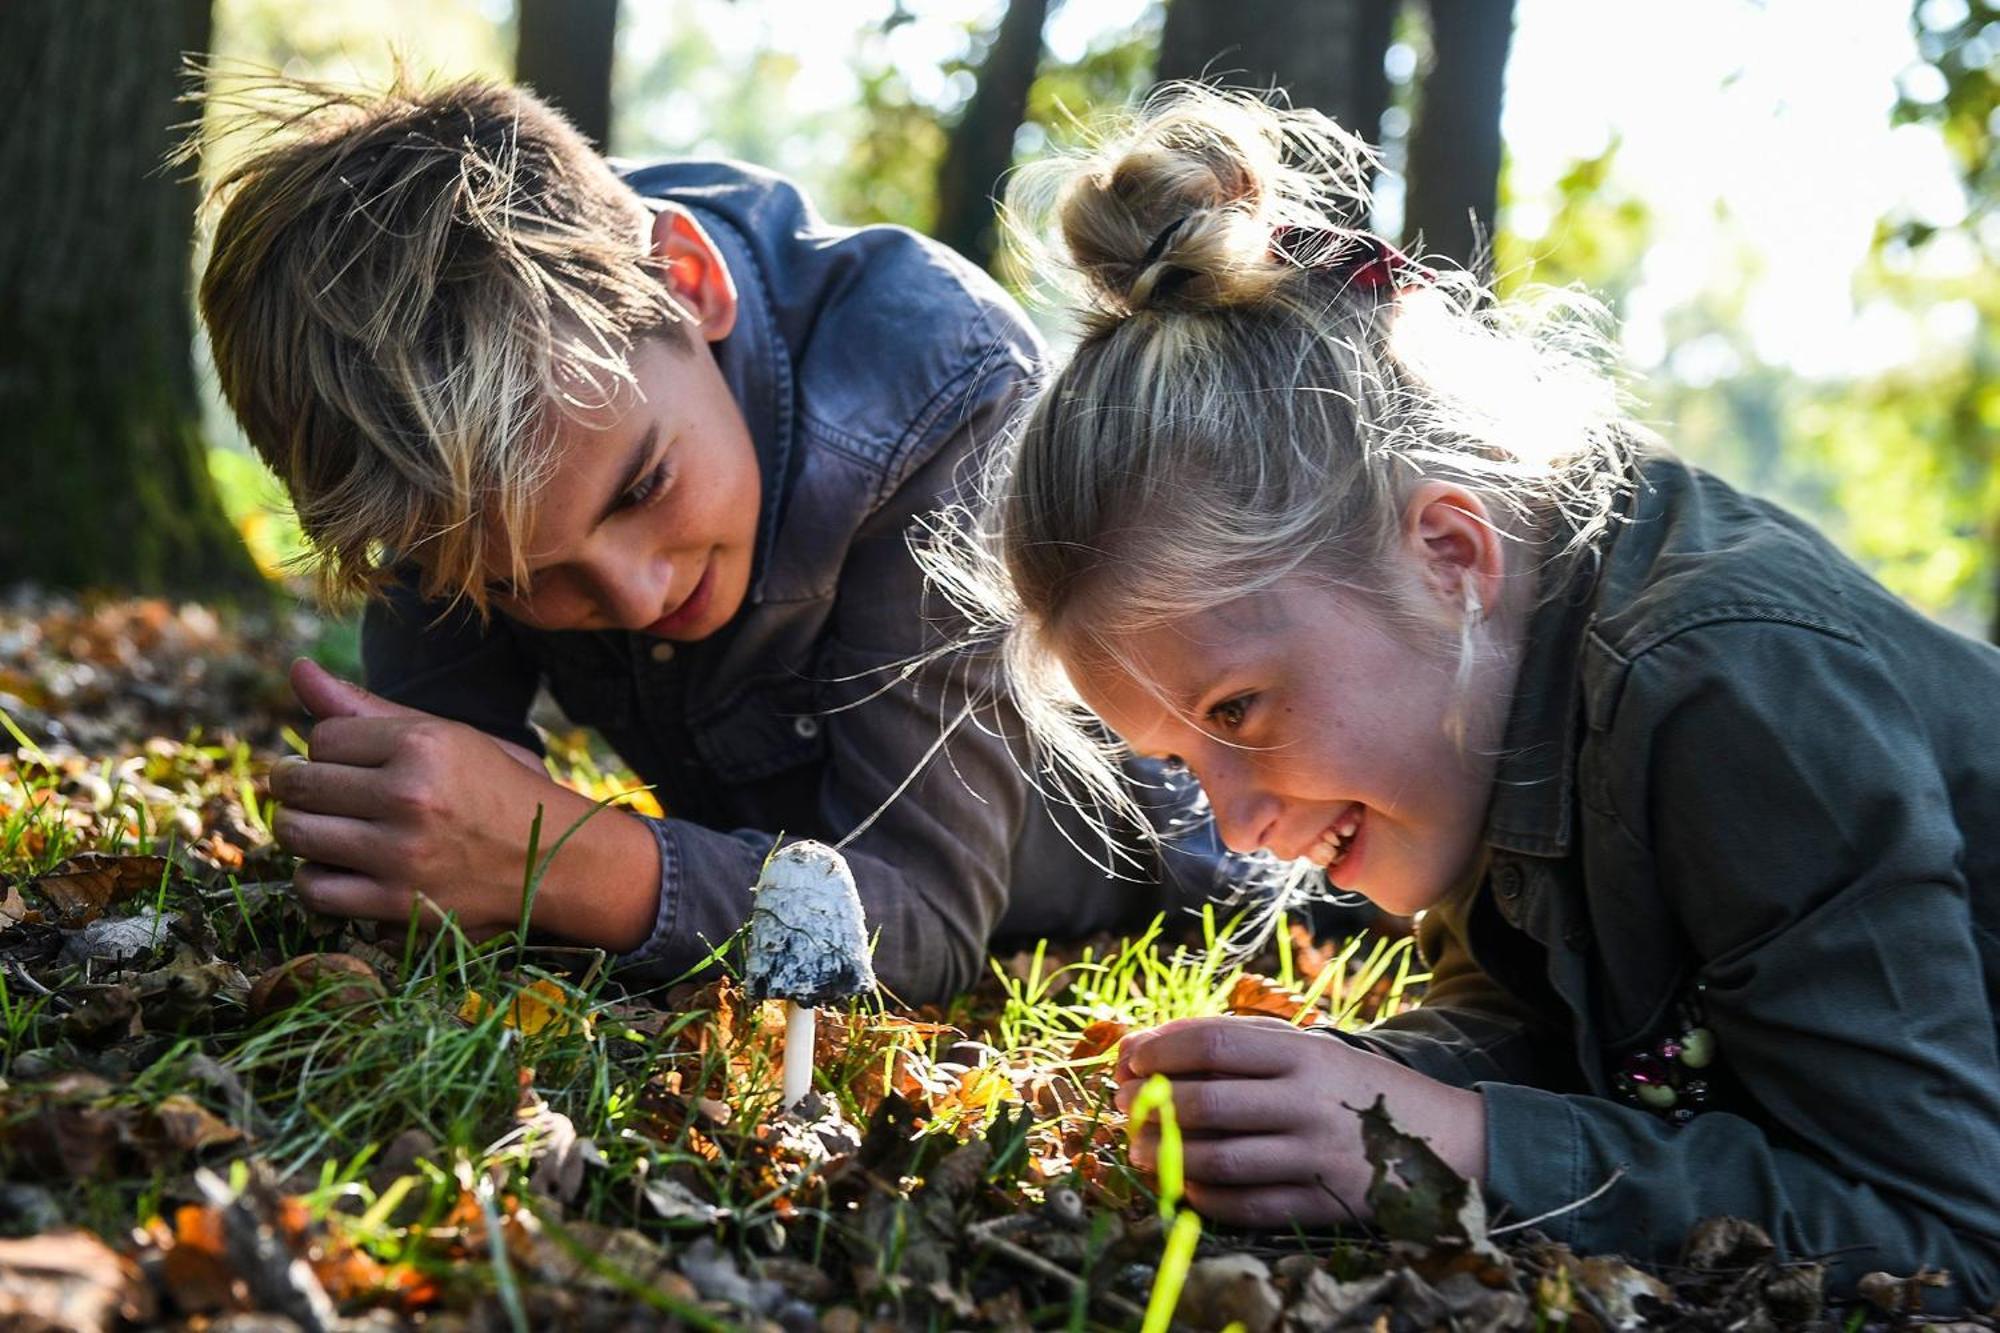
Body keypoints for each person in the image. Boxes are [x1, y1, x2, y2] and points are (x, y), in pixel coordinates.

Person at [930, 86, 2000, 1304]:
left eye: (1235, 712)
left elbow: (1943, 1234)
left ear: (1448, 554)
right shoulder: (1477, 703)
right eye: (1178, 760)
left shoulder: (1722, 689)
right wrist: (1363, 1097)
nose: (1230, 823)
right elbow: (1549, 1005)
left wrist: (1458, 1145)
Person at [194, 72, 1269, 1006]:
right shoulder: (424, 437)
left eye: (641, 487)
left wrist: (559, 860)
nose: (629, 589)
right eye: (525, 582)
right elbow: (430, 812)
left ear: (688, 282)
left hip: (1205, 870)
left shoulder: (944, 398)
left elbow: (925, 921)